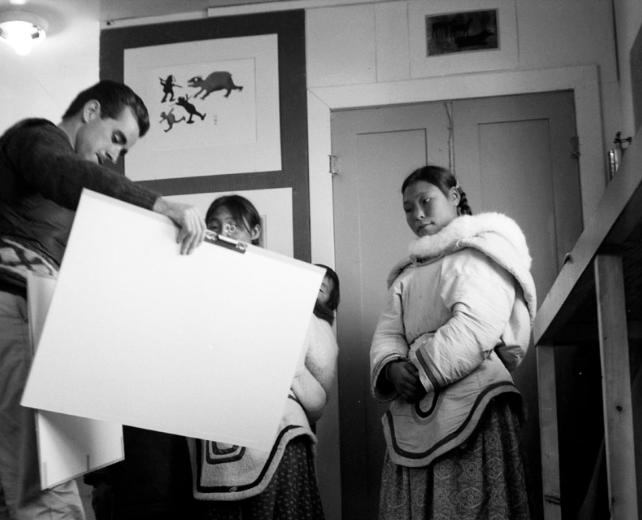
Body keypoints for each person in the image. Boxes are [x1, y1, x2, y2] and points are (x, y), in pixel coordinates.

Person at [0, 80, 206, 520]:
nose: (114, 155)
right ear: (90, 111)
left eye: (124, 150)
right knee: (47, 487)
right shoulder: (38, 139)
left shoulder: (61, 198)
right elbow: (67, 174)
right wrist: (158, 205)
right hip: (8, 312)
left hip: (21, 317)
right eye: (116, 138)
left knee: (22, 486)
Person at [369, 165, 536, 519]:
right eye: (408, 208)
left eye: (426, 201)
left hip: (472, 396)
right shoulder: (407, 275)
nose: (417, 214)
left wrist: (421, 371)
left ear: (454, 198)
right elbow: (387, 333)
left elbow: (477, 323)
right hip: (414, 401)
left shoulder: (483, 252)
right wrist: (393, 368)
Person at [189, 194, 337, 520]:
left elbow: (319, 390)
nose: (223, 233)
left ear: (255, 231)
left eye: (233, 226)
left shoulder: (288, 287)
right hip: (216, 435)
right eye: (214, 227)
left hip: (280, 434)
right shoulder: (197, 290)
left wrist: (288, 369)